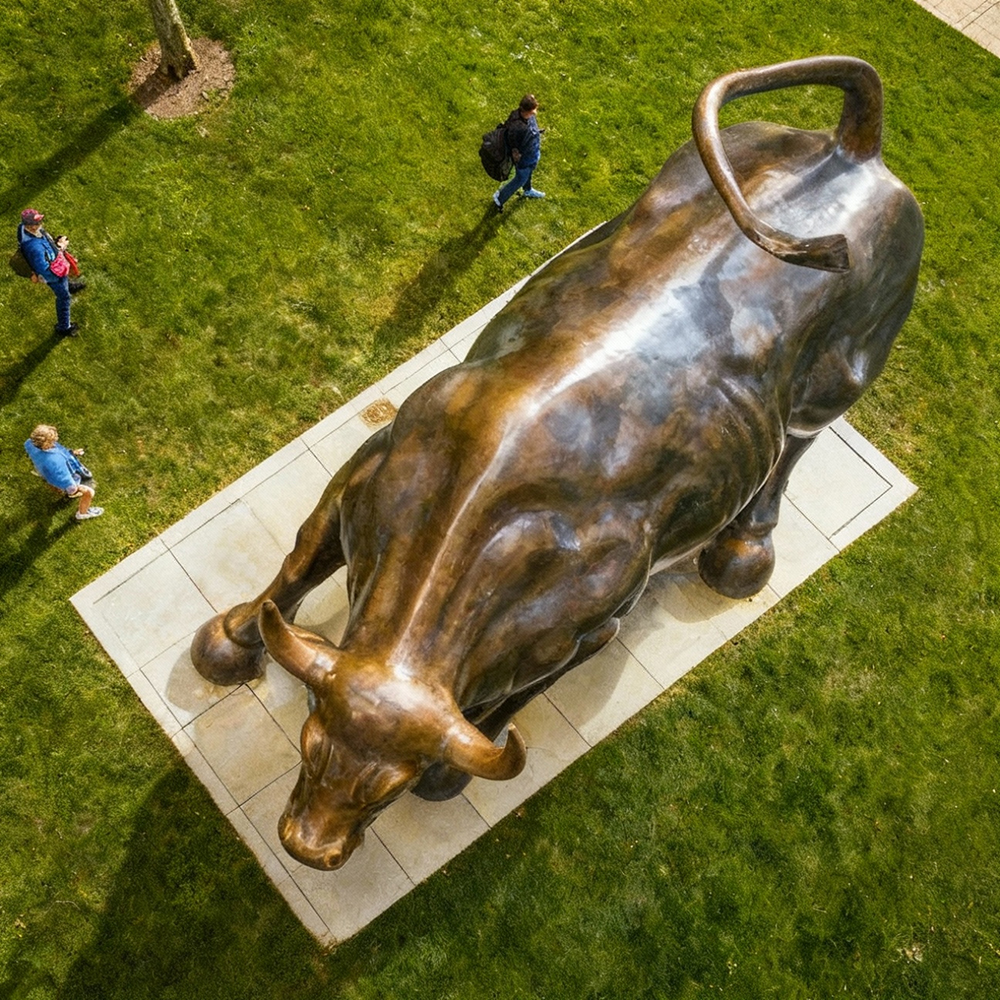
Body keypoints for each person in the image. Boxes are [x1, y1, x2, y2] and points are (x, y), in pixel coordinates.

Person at [17, 208, 86, 337]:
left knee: (64, 286)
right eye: (37, 222)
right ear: (30, 226)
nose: (40, 224)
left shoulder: (23, 229)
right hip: (55, 276)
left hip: (56, 271)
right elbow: (46, 269)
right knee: (64, 298)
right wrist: (61, 247)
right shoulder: (34, 248)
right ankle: (64, 327)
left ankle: (68, 285)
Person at [24, 424, 104, 521]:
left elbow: (58, 452)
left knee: (51, 481)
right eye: (53, 438)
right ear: (46, 445)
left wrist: (72, 453)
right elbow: (64, 478)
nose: (56, 437)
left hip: (44, 471)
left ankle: (56, 489)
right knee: (89, 492)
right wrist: (74, 489)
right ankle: (82, 513)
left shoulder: (29, 443)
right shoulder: (55, 461)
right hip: (63, 479)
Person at [493, 94, 545, 212]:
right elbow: (512, 140)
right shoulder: (517, 126)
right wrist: (516, 152)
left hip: (532, 153)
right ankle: (499, 198)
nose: (535, 113)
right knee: (520, 178)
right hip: (525, 157)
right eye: (532, 111)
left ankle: (527, 190)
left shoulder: (525, 116)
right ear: (525, 111)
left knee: (528, 172)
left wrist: (536, 132)